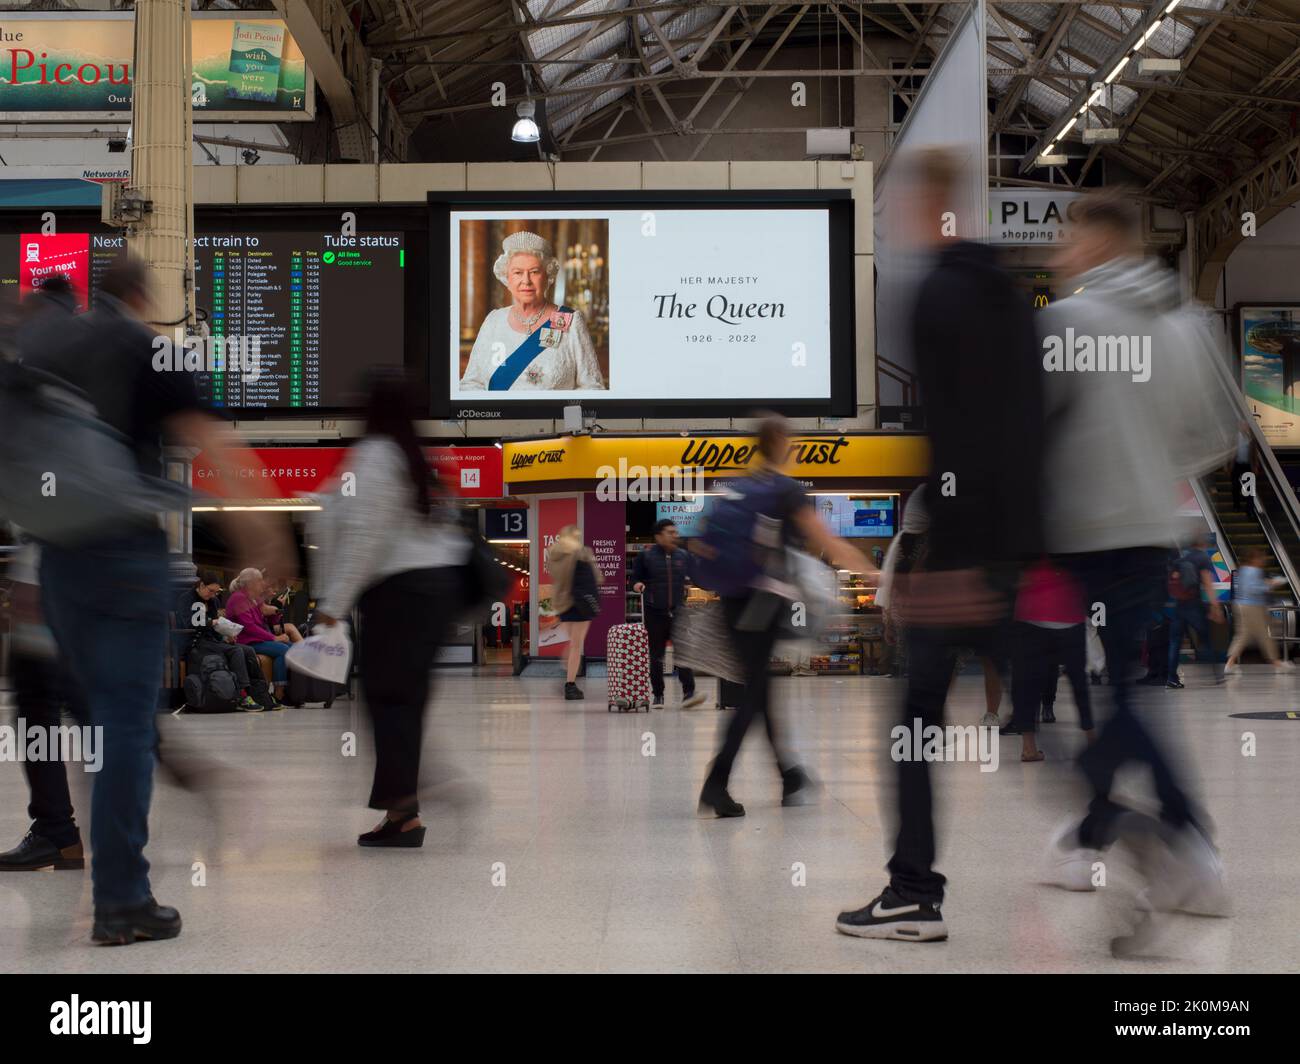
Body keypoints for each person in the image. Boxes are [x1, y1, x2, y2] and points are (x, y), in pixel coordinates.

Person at [26, 257, 296, 944]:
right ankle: (121, 897)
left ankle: (100, 871)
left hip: (55, 563)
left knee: (96, 730)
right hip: (124, 557)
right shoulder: (144, 347)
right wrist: (265, 532)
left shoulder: (51, 346)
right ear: (145, 296)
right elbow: (213, 441)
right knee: (124, 728)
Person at [837, 147, 1044, 942]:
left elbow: (957, 434)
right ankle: (1143, 832)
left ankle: (915, 892)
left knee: (915, 721)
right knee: (1031, 714)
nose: (891, 225)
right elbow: (1028, 424)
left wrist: (949, 554)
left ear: (932, 209)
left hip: (962, 551)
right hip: (1010, 546)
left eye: (895, 211)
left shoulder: (937, 295)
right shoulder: (1008, 292)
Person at [1027, 191, 1236, 946]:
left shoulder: (1066, 323)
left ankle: (1112, 832)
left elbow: (1032, 434)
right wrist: (1152, 466)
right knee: (1131, 692)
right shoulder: (1186, 326)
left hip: (1081, 536)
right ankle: (1181, 846)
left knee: (1075, 696)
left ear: (1097, 242)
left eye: (1067, 238)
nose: (1059, 252)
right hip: (1151, 534)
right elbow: (1217, 433)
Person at [311, 371, 470, 849]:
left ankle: (413, 800)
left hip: (401, 597)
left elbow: (365, 537)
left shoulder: (377, 455)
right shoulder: (413, 456)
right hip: (428, 595)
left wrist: (333, 605)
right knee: (400, 702)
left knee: (388, 703)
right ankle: (405, 813)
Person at [696, 415, 873, 819]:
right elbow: (823, 538)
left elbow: (703, 547)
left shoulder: (736, 487)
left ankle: (789, 776)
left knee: (762, 689)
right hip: (762, 603)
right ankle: (716, 782)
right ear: (778, 441)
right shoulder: (785, 489)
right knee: (755, 694)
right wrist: (869, 570)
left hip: (733, 602)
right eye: (789, 439)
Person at [0, 535, 87, 871]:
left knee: (37, 706)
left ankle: (58, 831)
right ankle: (67, 835)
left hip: (49, 579)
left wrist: (31, 582)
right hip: (76, 575)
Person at [459, 231, 604, 392]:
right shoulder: (493, 321)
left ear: (547, 276)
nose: (526, 281)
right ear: (507, 278)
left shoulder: (570, 321)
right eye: (518, 272)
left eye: (534, 272)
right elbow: (470, 384)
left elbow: (593, 387)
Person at [1000, 559, 1095, 762]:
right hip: (1068, 607)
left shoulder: (1026, 533)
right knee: (1078, 680)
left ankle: (1029, 748)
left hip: (1030, 608)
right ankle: (1092, 740)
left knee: (1027, 683)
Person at [632, 519, 703, 709]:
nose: (675, 535)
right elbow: (635, 577)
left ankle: (689, 693)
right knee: (656, 655)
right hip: (654, 612)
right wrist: (637, 584)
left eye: (675, 532)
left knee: (683, 653)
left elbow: (699, 577)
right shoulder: (645, 556)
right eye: (670, 532)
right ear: (658, 536)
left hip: (679, 611)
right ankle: (658, 695)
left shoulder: (684, 556)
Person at [181, 571, 277, 711]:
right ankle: (242, 696)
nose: (213, 595)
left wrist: (226, 634)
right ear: (201, 585)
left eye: (216, 592)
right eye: (210, 591)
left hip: (212, 641)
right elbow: (191, 624)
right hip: (195, 642)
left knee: (248, 650)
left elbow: (216, 626)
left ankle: (259, 694)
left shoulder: (213, 601)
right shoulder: (188, 598)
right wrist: (211, 622)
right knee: (236, 651)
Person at [545, 525, 602, 700]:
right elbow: (598, 577)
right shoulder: (582, 553)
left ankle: (567, 673)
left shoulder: (554, 555)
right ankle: (570, 685)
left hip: (563, 603)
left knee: (572, 644)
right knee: (576, 646)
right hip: (580, 603)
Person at [1166, 532, 1225, 688]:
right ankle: (1217, 674)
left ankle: (1171, 678)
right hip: (1194, 605)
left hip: (1179, 605)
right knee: (1206, 639)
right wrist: (1215, 606)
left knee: (1174, 642)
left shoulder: (1182, 558)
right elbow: (1208, 583)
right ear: (1203, 543)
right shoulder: (1203, 558)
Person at [226, 568, 293, 700]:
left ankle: (286, 690)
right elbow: (249, 627)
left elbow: (265, 621)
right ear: (250, 583)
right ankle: (279, 694)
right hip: (245, 641)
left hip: (257, 639)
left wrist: (278, 609)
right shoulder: (239, 598)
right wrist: (275, 638)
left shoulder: (253, 599)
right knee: (284, 650)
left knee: (291, 647)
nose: (263, 583)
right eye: (260, 580)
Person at [1224, 547, 1288, 672]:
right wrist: (1272, 584)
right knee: (1264, 634)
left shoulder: (1242, 570)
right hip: (1253, 606)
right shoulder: (1254, 571)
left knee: (1242, 635)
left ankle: (1229, 664)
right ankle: (1277, 663)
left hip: (1240, 605)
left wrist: (1266, 583)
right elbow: (1255, 589)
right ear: (1254, 559)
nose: (1263, 560)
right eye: (1261, 558)